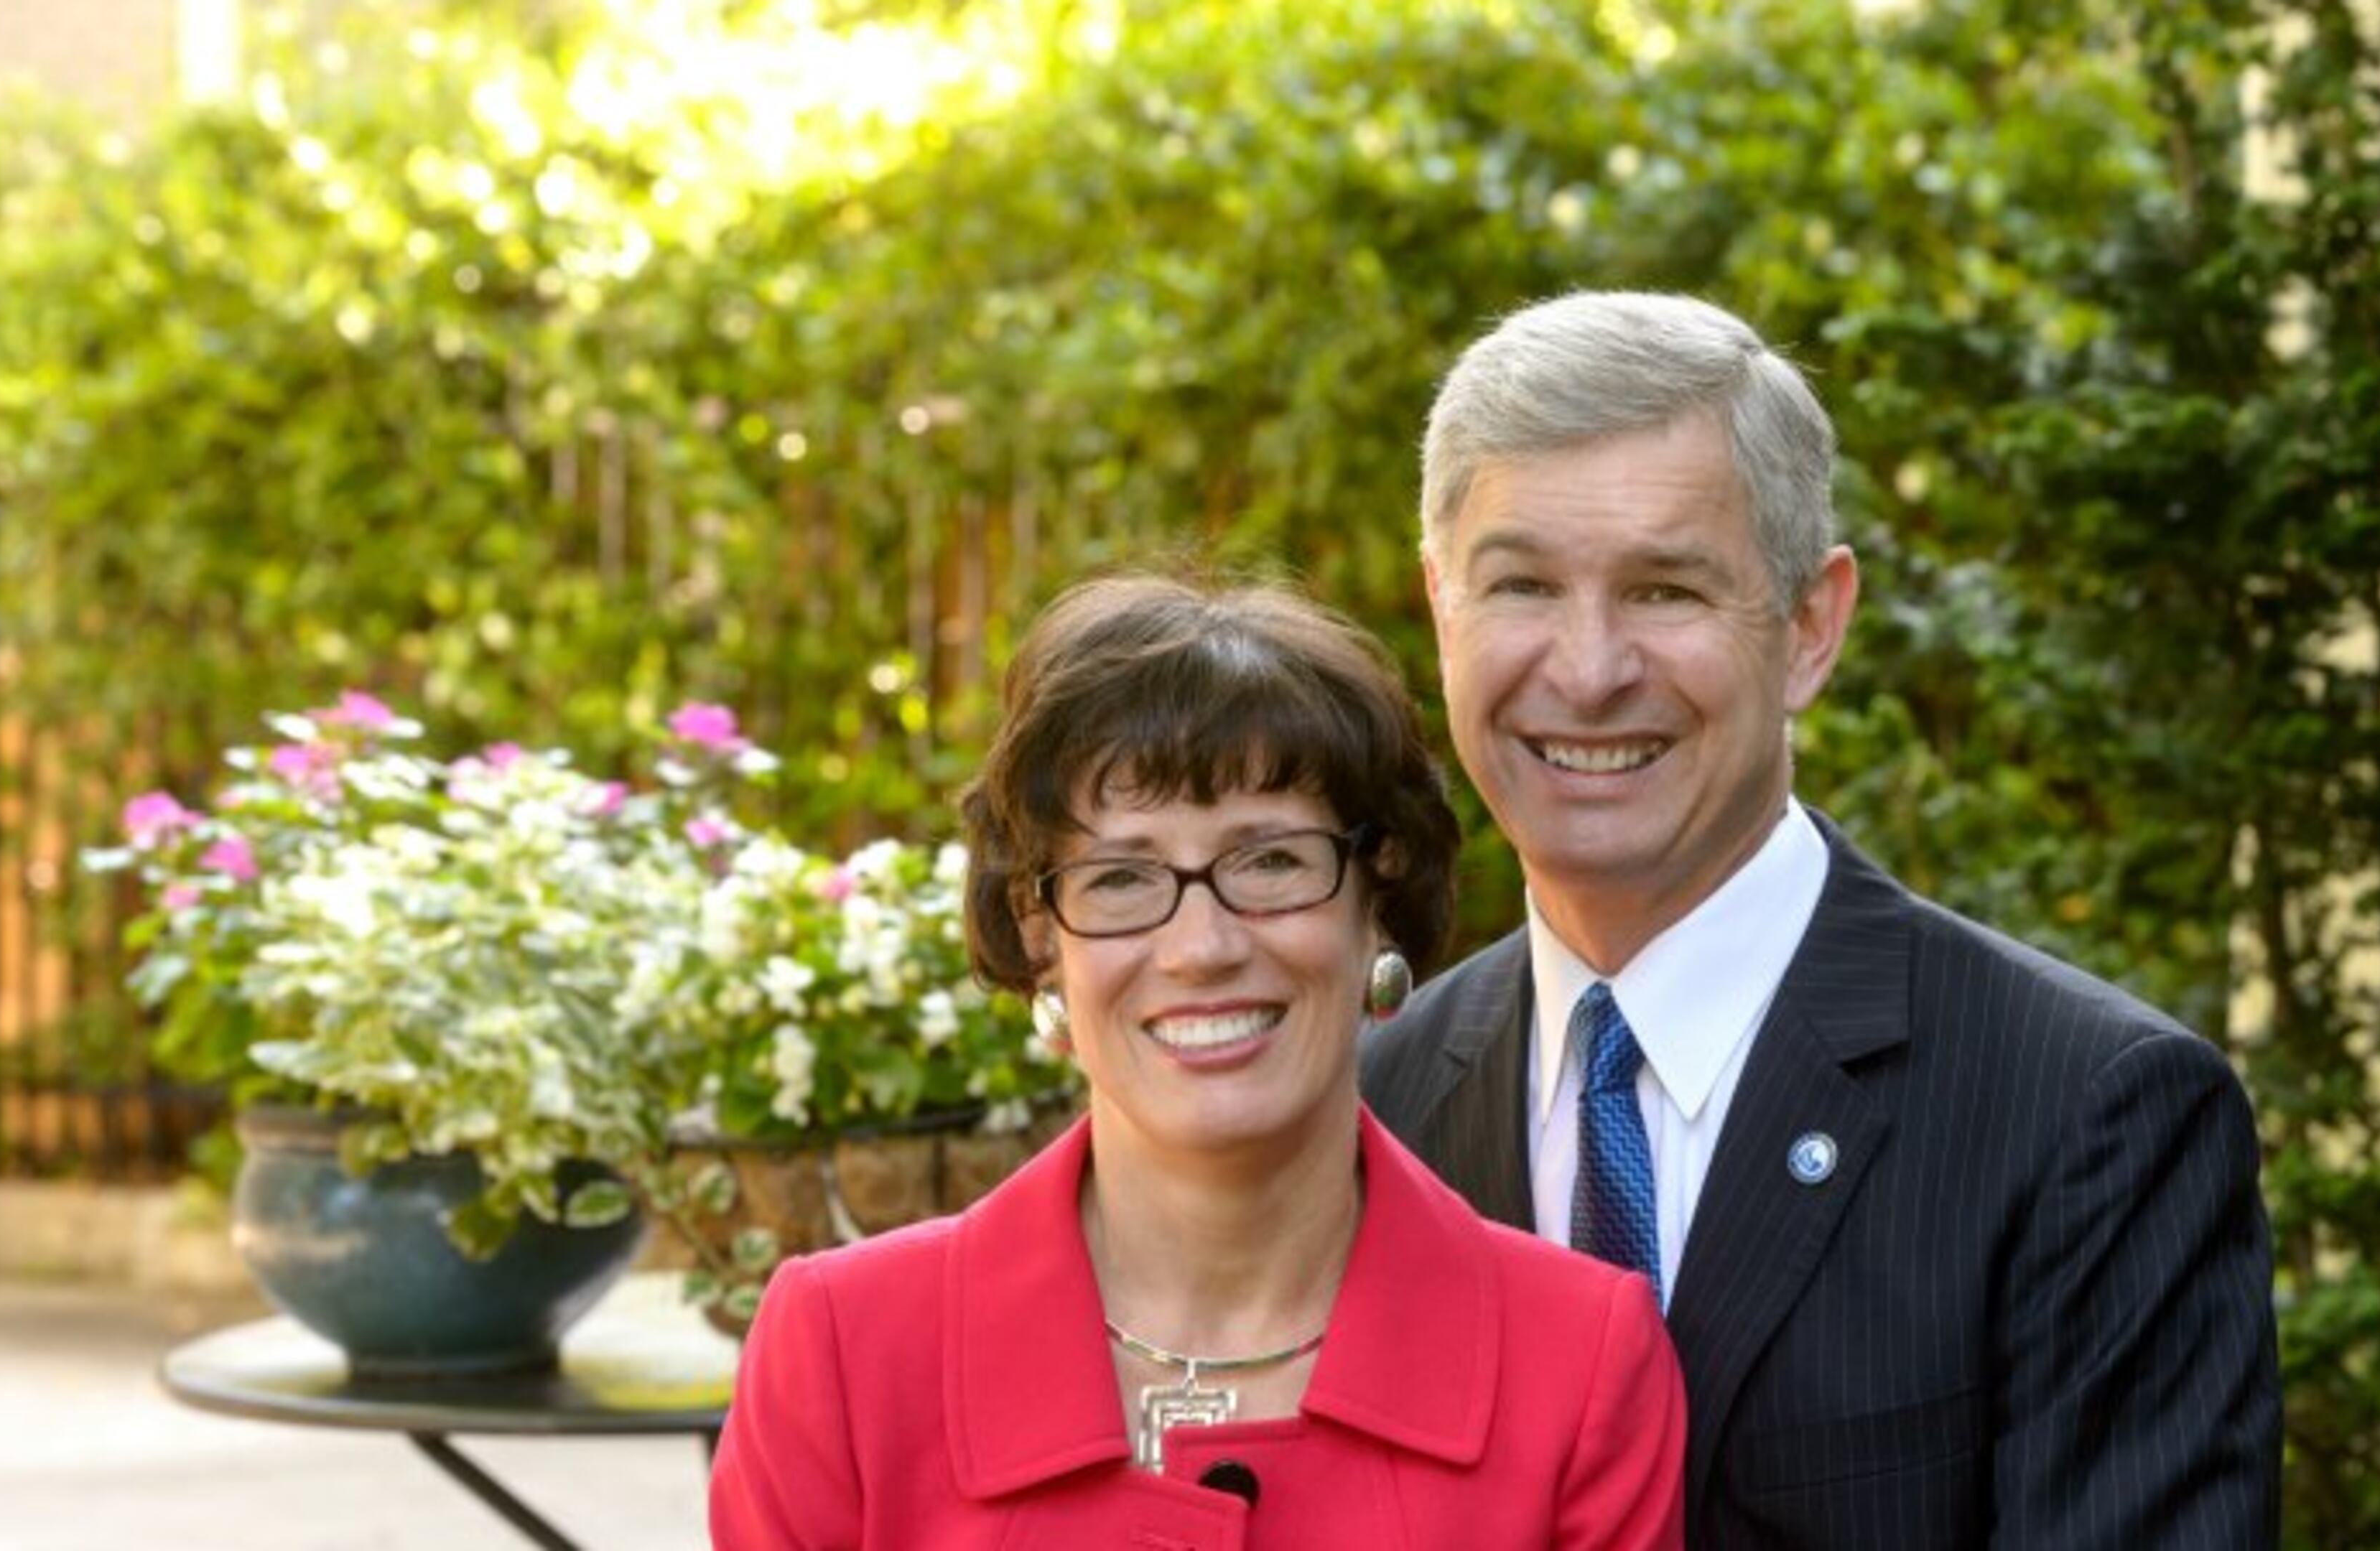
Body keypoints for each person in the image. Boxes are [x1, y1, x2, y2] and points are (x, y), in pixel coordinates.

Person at [1360, 292, 2282, 1548]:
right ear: (1439, 609)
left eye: (1666, 591)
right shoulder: (1367, 1115)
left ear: (1810, 627)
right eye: (1521, 585)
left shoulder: (2088, 1118)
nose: (1586, 670)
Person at [710, 574, 1686, 1550]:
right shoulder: (844, 1355)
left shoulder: (1580, 1368)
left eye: (1269, 861)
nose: (1201, 947)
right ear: (1039, 932)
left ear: (1377, 896)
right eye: (1122, 878)